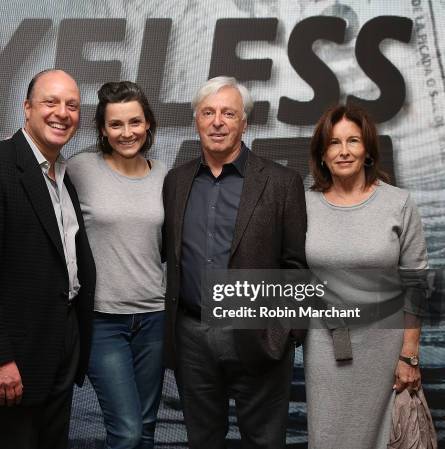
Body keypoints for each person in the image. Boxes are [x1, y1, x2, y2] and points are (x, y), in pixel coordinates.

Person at [0, 69, 96, 449]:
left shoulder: (63, 175)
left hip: (60, 341)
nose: (62, 113)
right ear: (26, 108)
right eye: (51, 102)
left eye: (72, 105)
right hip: (13, 354)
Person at [162, 76, 308, 449]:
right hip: (192, 336)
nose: (217, 121)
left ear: (245, 122)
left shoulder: (281, 182)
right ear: (196, 119)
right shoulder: (176, 182)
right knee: (203, 440)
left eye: (229, 113)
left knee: (264, 441)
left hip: (258, 334)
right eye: (208, 112)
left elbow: (295, 264)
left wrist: (284, 331)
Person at [303, 104, 428, 449]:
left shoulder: (399, 204)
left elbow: (416, 284)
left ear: (368, 150)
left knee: (383, 439)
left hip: (386, 350)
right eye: (333, 143)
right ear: (322, 154)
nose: (343, 151)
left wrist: (409, 355)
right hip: (326, 346)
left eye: (353, 141)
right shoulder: (304, 204)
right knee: (328, 438)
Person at [67, 81, 166, 449]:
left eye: (135, 122)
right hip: (103, 321)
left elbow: (163, 244)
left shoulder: (164, 175)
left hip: (154, 319)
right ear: (103, 130)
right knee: (126, 433)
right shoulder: (79, 169)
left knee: (147, 428)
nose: (127, 133)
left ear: (148, 124)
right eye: (116, 124)